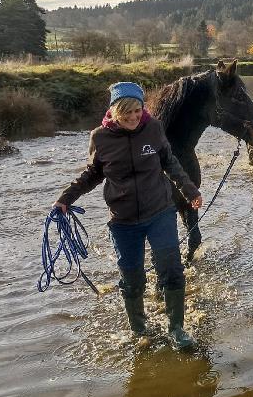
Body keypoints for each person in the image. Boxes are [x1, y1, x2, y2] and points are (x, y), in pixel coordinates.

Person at [54, 82, 203, 349]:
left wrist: (190, 190)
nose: (134, 117)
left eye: (137, 110)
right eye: (127, 113)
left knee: (171, 270)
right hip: (123, 221)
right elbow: (93, 174)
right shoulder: (100, 137)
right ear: (114, 112)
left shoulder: (154, 128)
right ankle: (139, 328)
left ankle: (177, 328)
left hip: (160, 211)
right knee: (132, 279)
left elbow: (170, 162)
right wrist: (66, 198)